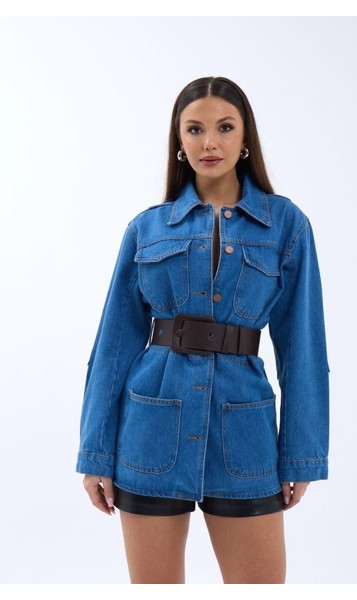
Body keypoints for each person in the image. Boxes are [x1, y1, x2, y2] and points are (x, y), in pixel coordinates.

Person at [76, 76, 330, 584]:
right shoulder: (146, 229)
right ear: (179, 140)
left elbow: (303, 349)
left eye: (224, 127)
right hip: (150, 427)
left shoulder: (286, 225)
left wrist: (302, 454)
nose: (209, 142)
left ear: (245, 137)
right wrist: (94, 452)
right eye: (194, 129)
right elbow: (112, 347)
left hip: (245, 433)